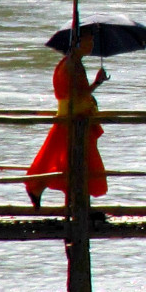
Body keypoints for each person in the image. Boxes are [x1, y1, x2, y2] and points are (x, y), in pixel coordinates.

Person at [27, 31, 108, 208]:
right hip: (73, 119)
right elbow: (78, 93)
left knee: (62, 159)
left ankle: (49, 191)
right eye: (89, 40)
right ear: (78, 43)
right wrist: (97, 83)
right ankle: (43, 189)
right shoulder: (73, 64)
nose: (92, 45)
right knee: (73, 162)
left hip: (70, 116)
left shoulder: (70, 62)